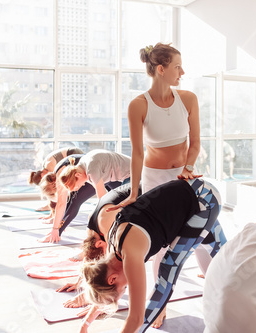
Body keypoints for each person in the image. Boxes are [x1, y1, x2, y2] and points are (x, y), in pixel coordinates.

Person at [105, 42, 203, 327]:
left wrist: (188, 169)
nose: (182, 72)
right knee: (159, 247)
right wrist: (134, 192)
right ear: (161, 69)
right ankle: (158, 305)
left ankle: (217, 288)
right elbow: (137, 153)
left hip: (184, 177)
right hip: (154, 180)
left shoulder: (189, 98)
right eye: (177, 67)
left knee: (197, 238)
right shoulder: (139, 105)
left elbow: (195, 143)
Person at [78, 178, 226, 333]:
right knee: (226, 257)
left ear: (113, 279)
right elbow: (101, 284)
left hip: (204, 199)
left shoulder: (130, 254)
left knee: (168, 268)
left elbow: (136, 318)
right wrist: (86, 324)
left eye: (124, 288)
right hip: (192, 195)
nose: (127, 287)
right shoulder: (112, 249)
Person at [39, 152, 130, 244]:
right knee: (116, 204)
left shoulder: (91, 172)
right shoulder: (81, 169)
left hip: (131, 173)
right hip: (117, 173)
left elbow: (103, 202)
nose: (82, 186)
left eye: (76, 187)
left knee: (120, 207)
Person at [58, 149, 131, 199]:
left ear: (77, 175)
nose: (83, 185)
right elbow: (102, 194)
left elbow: (102, 197)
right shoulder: (83, 163)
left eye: (78, 186)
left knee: (125, 203)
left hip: (134, 172)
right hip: (130, 172)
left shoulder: (91, 170)